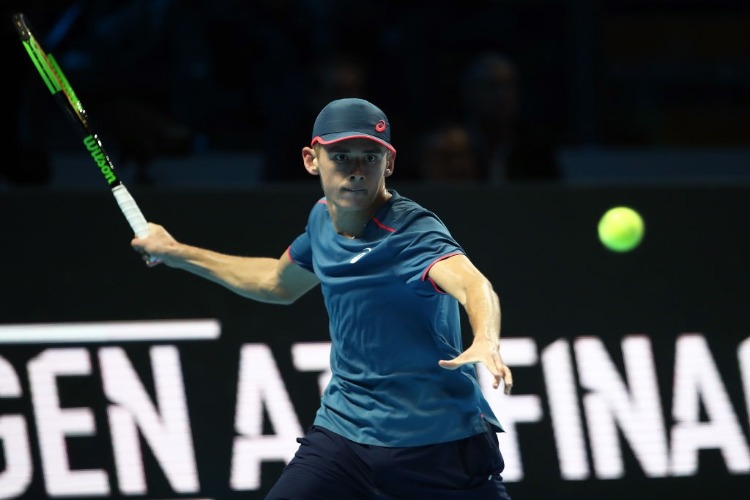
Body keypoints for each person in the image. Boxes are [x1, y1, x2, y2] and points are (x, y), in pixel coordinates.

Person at [131, 98, 514, 499]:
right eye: (341, 156)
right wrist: (177, 253)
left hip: (438, 448)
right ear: (312, 159)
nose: (356, 170)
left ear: (390, 164)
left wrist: (485, 338)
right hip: (344, 438)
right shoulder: (321, 220)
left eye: (370, 156)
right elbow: (276, 283)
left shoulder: (412, 232)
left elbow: (473, 285)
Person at [460, 52, 561, 184]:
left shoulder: (536, 149)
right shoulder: (453, 148)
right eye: (491, 86)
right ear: (470, 93)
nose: (501, 96)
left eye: (508, 86)